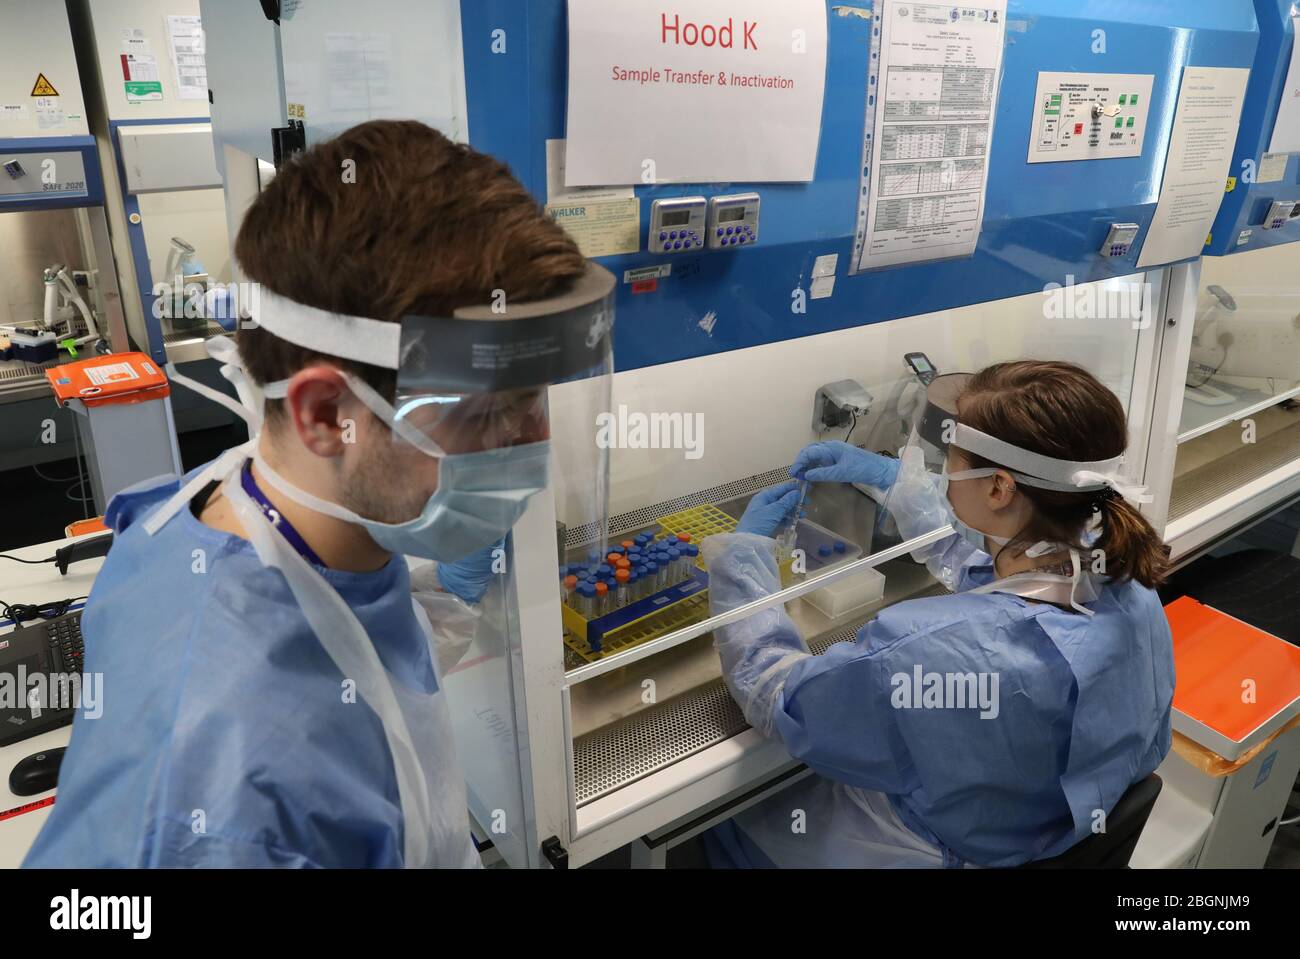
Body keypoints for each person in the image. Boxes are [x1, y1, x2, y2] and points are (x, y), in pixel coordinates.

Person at [25, 120, 614, 868]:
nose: (534, 443)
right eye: (494, 412)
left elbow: (335, 648)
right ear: (327, 415)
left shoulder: (234, 504)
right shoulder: (234, 812)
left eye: (537, 402)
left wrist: (440, 598)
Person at [700, 361, 1175, 868]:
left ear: (998, 488)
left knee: (721, 829)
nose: (942, 470)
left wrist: (742, 559)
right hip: (1047, 835)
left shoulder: (923, 649)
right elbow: (1002, 579)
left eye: (950, 455)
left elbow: (779, 692)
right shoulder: (1129, 588)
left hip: (926, 849)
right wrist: (894, 484)